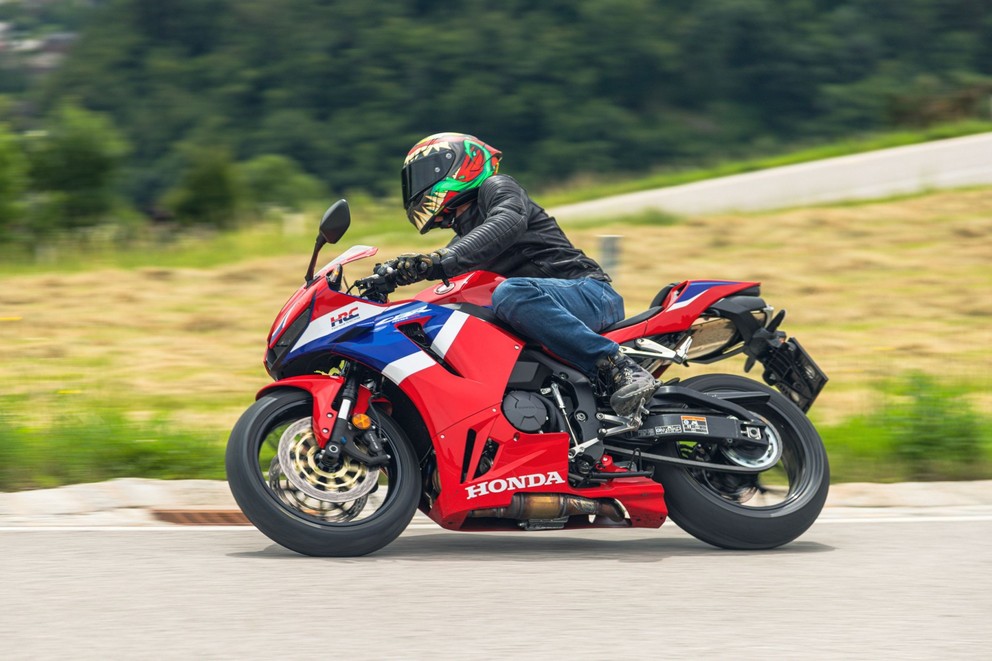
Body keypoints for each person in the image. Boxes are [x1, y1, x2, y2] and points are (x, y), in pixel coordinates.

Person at [385, 132, 659, 416]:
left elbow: (508, 220)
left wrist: (438, 260)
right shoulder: (463, 246)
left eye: (426, 173)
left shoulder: (497, 189)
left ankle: (619, 366)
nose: (418, 185)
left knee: (510, 293)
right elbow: (455, 264)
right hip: (548, 314)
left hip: (590, 293)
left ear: (462, 164)